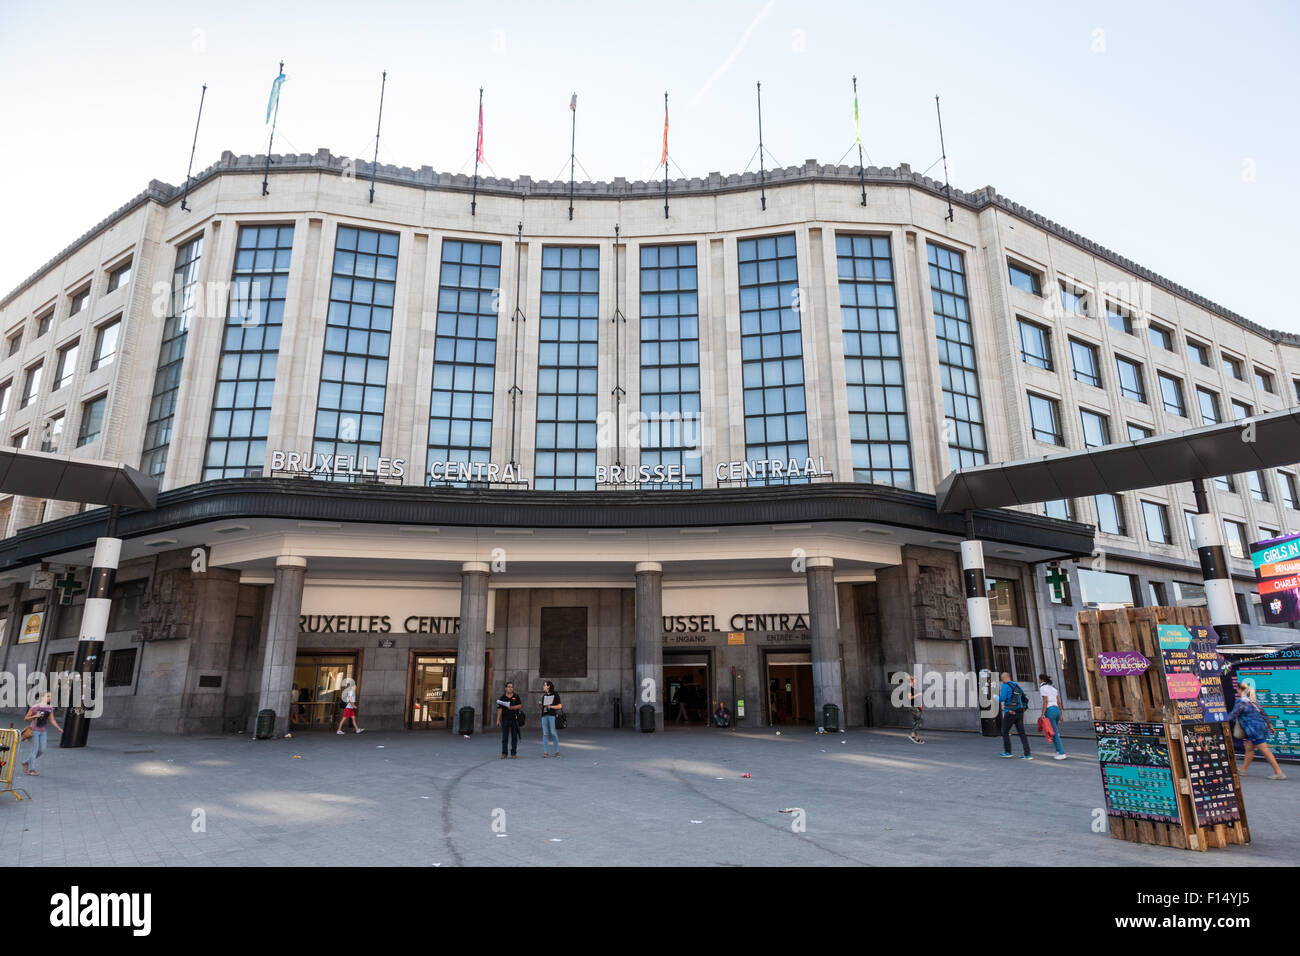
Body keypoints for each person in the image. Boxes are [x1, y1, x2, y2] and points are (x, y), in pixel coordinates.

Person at [1226, 684, 1286, 780]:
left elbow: (1232, 715)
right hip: (1260, 727)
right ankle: (1243, 769)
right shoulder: (1254, 701)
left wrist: (1218, 717)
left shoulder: (1240, 702)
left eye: (1237, 689)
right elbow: (1263, 714)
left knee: (1265, 750)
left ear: (1240, 690)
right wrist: (1270, 726)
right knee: (1249, 748)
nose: (1237, 691)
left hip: (1253, 730)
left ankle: (1279, 772)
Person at [21, 691, 62, 776]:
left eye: (50, 697)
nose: (49, 698)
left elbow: (52, 720)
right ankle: (32, 770)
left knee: (42, 750)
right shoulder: (35, 707)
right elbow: (26, 718)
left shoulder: (50, 708)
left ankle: (26, 762)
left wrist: (58, 728)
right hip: (34, 731)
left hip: (43, 731)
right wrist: (34, 716)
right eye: (48, 696)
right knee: (34, 750)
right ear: (42, 697)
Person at [998, 672, 1032, 760]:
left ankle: (1008, 752)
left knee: (1004, 731)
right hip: (1020, 712)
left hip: (1010, 711)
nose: (1002, 681)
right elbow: (1024, 697)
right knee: (1022, 733)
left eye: (1002, 679)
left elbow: (1002, 698)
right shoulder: (1017, 686)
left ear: (1005, 678)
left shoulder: (1005, 686)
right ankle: (1027, 754)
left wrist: (994, 698)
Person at [1038, 674, 1067, 760]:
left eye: (1039, 680)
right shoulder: (1054, 689)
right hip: (1057, 710)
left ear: (1041, 680)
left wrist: (1042, 713)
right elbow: (1059, 702)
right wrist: (1061, 714)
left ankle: (1061, 753)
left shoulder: (1043, 688)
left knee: (1054, 733)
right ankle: (1058, 751)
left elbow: (1045, 701)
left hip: (1050, 711)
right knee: (1054, 731)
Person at [495, 681, 522, 758]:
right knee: (504, 737)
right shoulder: (502, 698)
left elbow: (520, 705)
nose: (510, 688)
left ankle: (513, 753)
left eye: (512, 687)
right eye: (509, 687)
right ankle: (504, 753)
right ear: (506, 688)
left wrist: (513, 707)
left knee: (514, 737)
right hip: (505, 720)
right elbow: (500, 709)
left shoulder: (516, 696)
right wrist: (498, 720)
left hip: (514, 719)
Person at [539, 680, 562, 757]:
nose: (543, 686)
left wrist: (551, 706)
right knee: (545, 733)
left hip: (552, 715)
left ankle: (557, 751)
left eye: (544, 685)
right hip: (544, 715)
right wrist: (540, 705)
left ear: (548, 686)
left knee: (553, 732)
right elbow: (542, 707)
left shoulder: (555, 694)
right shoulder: (544, 696)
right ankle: (545, 752)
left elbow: (559, 706)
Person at [908, 674, 925, 744]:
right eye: (915, 679)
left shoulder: (912, 688)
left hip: (915, 706)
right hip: (913, 706)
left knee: (916, 722)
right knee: (920, 721)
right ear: (912, 680)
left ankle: (916, 739)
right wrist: (918, 694)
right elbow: (910, 698)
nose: (916, 680)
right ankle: (912, 734)